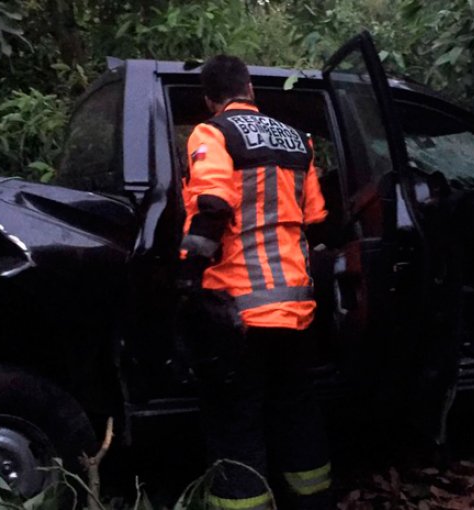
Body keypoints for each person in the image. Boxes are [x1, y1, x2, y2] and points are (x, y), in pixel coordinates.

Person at [177, 54, 331, 510]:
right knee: (297, 412)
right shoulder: (297, 140)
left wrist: (187, 278)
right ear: (250, 89)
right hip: (296, 307)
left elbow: (213, 204)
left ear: (210, 99)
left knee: (235, 423)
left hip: (237, 311)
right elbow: (316, 217)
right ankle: (313, 502)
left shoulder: (213, 133)